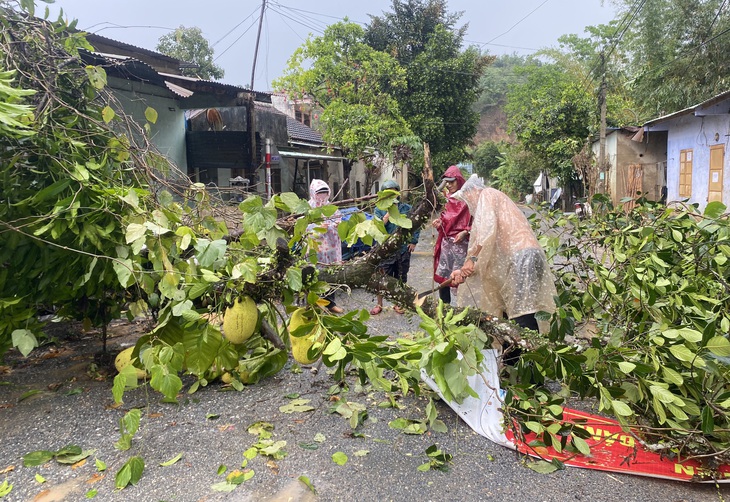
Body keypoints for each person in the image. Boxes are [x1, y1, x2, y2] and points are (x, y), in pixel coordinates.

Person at [449, 175, 556, 333]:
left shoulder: (487, 195)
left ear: (472, 191)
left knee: (522, 314)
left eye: (467, 199)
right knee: (514, 309)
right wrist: (464, 271)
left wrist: (471, 260)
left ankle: (527, 354)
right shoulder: (497, 199)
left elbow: (486, 231)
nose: (469, 204)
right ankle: (514, 355)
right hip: (528, 255)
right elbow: (490, 254)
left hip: (522, 257)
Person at [370, 180, 420, 315]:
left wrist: (413, 241)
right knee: (381, 277)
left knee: (401, 276)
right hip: (384, 248)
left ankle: (398, 303)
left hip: (403, 247)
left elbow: (416, 223)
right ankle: (379, 304)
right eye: (388, 192)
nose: (392, 195)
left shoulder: (407, 208)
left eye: (394, 191)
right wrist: (388, 213)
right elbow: (377, 227)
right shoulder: (378, 209)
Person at [432, 165, 472, 304]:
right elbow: (445, 220)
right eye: (447, 182)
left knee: (462, 277)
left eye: (452, 181)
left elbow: (478, 222)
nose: (448, 185)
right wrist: (439, 223)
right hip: (447, 243)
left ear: (459, 180)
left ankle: (464, 311)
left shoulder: (468, 199)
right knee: (444, 275)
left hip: (462, 245)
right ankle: (445, 309)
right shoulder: (446, 199)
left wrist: (466, 231)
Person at [307, 179, 344, 314]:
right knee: (315, 275)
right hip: (316, 248)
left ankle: (330, 304)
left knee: (331, 274)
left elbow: (338, 219)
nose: (322, 196)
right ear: (313, 193)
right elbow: (303, 228)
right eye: (319, 193)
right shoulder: (308, 209)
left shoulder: (331, 208)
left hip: (331, 248)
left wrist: (335, 225)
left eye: (324, 193)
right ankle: (315, 304)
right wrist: (317, 228)